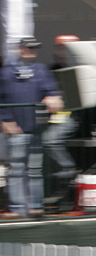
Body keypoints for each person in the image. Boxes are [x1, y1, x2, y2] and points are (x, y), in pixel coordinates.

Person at [0, 37, 67, 217]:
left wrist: (53, 100)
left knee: (34, 169)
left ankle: (35, 206)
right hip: (16, 129)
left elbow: (52, 92)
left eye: (34, 48)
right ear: (20, 49)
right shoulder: (7, 72)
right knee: (16, 168)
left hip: (35, 128)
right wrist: (5, 121)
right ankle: (17, 207)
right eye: (28, 48)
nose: (31, 51)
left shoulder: (41, 71)